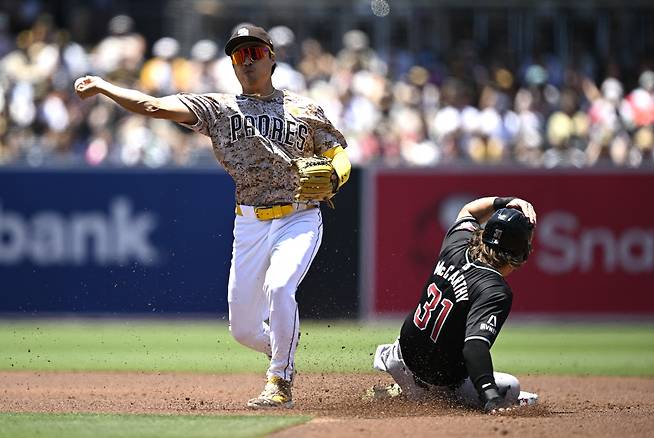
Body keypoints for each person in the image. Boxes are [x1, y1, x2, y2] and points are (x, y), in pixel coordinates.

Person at [74, 24, 351, 409]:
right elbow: (152, 106)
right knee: (242, 330)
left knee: (280, 286)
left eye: (255, 52)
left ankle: (279, 380)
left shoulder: (305, 108)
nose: (247, 61)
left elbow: (337, 152)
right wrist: (105, 86)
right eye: (239, 55)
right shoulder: (218, 109)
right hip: (250, 221)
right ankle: (284, 345)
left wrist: (338, 173)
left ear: (272, 56)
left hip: (299, 216)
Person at [373, 196, 538, 414]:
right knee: (514, 389)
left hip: (400, 356)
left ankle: (401, 388)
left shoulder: (458, 245)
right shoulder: (494, 290)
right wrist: (490, 396)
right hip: (437, 386)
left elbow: (469, 210)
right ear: (520, 253)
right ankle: (416, 394)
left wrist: (505, 201)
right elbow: (474, 346)